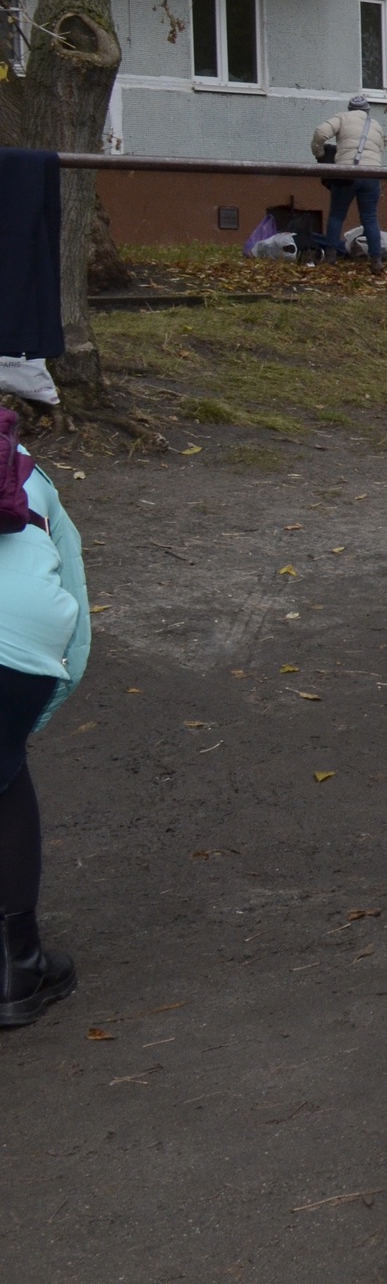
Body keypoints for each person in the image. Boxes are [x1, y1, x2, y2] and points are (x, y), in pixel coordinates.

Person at [0, 407, 87, 1027]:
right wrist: (27, 721)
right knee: (5, 780)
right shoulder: (29, 474)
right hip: (22, 645)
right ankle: (16, 966)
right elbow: (75, 620)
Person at [310, 94, 387, 270]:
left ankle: (330, 257)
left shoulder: (342, 118)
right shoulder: (375, 125)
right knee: (370, 218)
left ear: (350, 109)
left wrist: (320, 154)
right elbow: (380, 149)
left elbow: (321, 133)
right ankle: (376, 260)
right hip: (372, 175)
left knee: (337, 214)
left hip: (346, 174)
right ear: (367, 110)